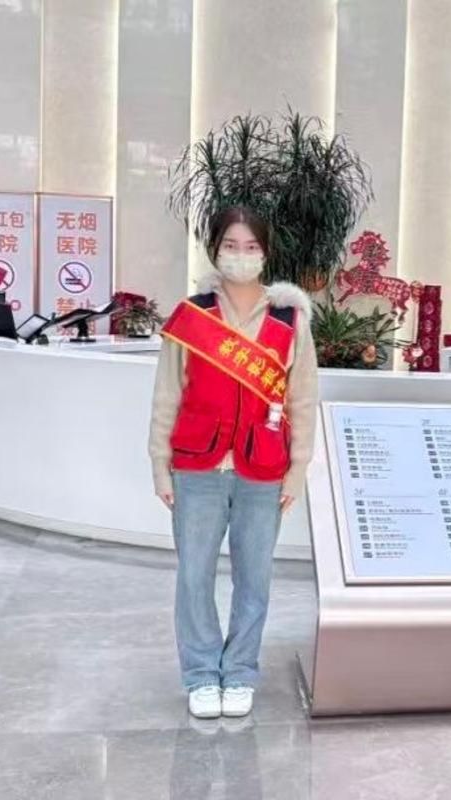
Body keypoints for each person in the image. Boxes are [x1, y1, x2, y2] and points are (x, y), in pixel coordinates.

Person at [149, 206, 319, 719]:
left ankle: (240, 671)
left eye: (251, 247)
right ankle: (202, 673)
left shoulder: (290, 320)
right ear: (214, 249)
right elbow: (167, 395)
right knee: (193, 577)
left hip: (262, 470)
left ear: (265, 254)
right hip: (197, 467)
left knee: (254, 580)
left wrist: (297, 470)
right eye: (230, 245)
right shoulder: (192, 316)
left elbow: (302, 400)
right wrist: (159, 464)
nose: (240, 255)